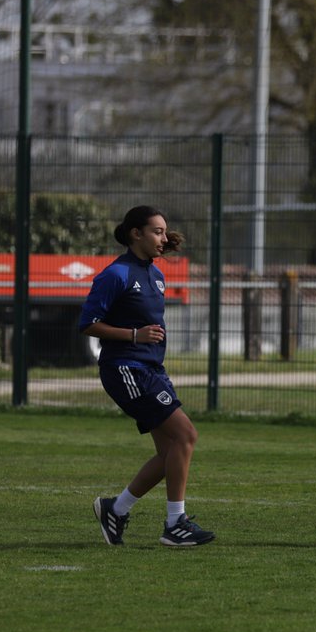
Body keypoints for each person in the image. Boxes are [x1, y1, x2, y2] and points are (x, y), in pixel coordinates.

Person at [81, 205, 214, 547]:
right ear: (135, 234)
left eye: (165, 232)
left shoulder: (156, 275)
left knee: (170, 450)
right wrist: (134, 335)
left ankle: (116, 509)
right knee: (186, 435)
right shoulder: (116, 274)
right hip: (126, 369)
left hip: (152, 369)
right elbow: (88, 323)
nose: (164, 238)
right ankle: (175, 524)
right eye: (156, 231)